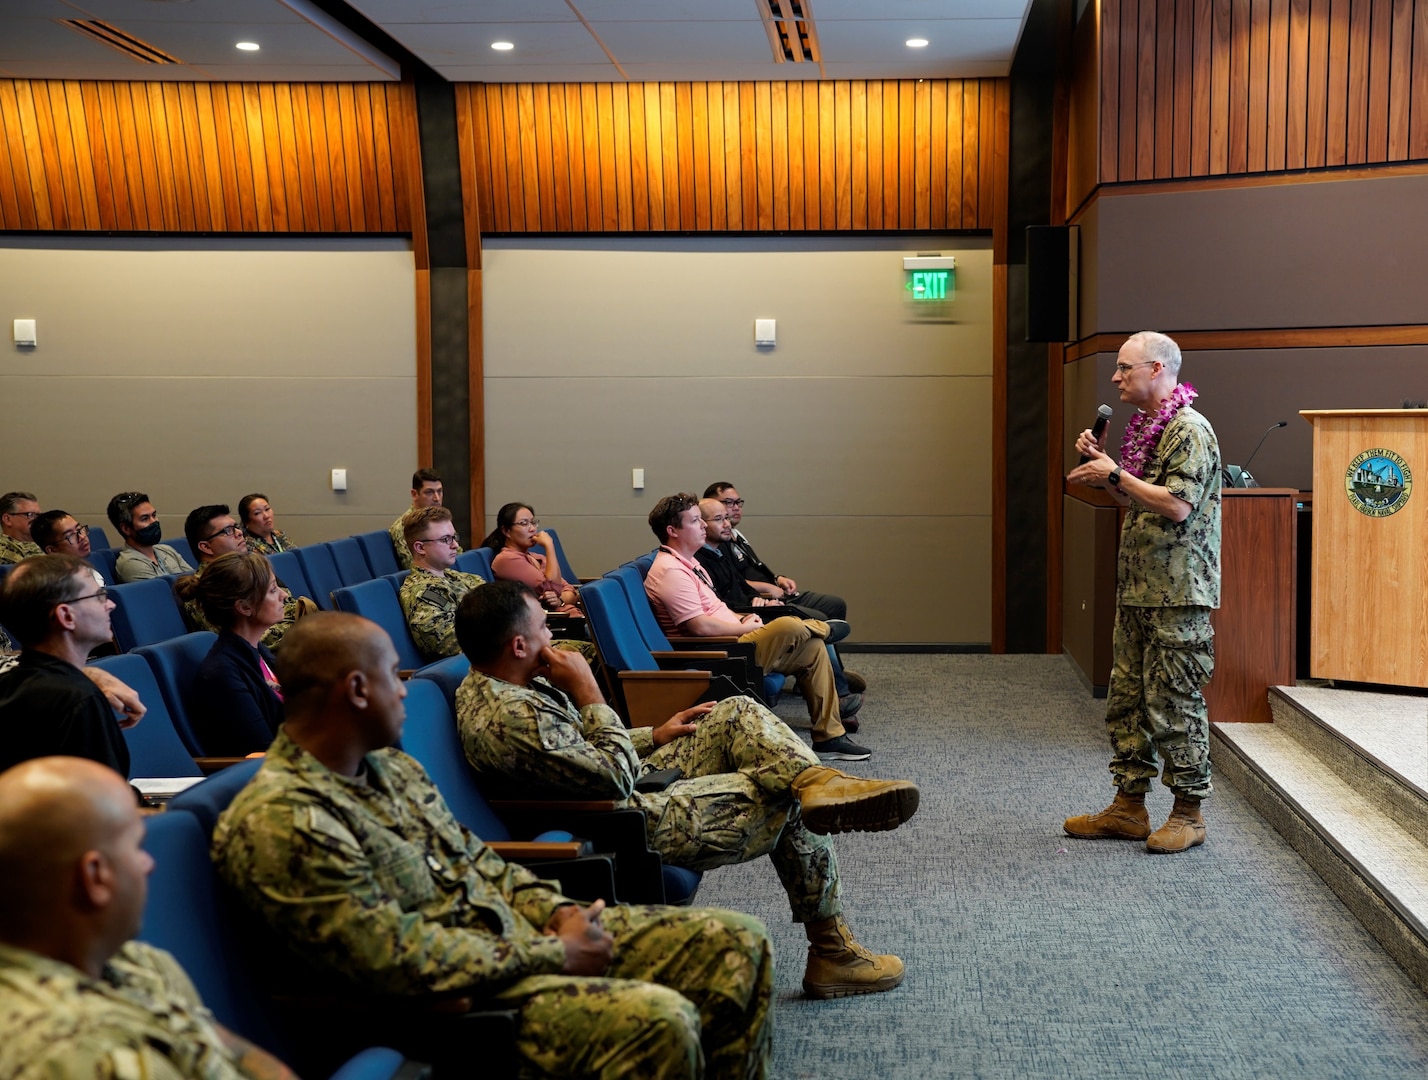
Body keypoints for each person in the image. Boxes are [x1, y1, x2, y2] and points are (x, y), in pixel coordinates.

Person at [211, 611, 774, 1077]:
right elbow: (395, 958)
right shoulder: (285, 818)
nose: (406, 690)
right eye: (393, 676)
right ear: (357, 690)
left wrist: (558, 913)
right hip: (456, 1001)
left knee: (737, 940)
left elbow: (477, 862)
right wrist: (557, 952)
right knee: (660, 1019)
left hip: (515, 941)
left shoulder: (389, 768)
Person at [456, 580, 919, 999]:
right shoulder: (511, 717)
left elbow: (578, 747)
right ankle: (832, 951)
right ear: (519, 645)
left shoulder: (507, 682)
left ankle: (821, 781)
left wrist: (653, 735)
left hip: (609, 784)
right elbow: (611, 776)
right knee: (782, 791)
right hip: (616, 818)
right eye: (544, 628)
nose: (554, 638)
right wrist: (589, 693)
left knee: (736, 712)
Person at [0, 756, 299, 1078]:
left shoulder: (132, 962)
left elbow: (218, 1046)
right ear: (95, 877)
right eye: (137, 846)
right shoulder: (80, 1055)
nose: (149, 864)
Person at [1063, 330, 1222, 855]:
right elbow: (1142, 504)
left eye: (1124, 367)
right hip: (1139, 590)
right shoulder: (1150, 428)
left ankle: (1189, 813)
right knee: (1127, 701)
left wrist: (1116, 473)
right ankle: (1128, 808)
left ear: (1157, 369)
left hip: (1178, 595)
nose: (1115, 377)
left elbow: (1177, 506)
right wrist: (1111, 473)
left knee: (1175, 703)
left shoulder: (1189, 429)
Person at [645, 493, 870, 761]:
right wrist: (742, 628)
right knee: (787, 624)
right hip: (718, 655)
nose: (704, 525)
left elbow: (717, 608)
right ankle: (822, 627)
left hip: (735, 639)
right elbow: (699, 627)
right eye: (695, 521)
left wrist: (740, 619)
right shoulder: (671, 572)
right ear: (673, 531)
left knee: (812, 649)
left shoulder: (690, 563)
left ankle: (829, 737)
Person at [697, 497, 862, 723]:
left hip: (748, 611)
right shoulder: (693, 562)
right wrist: (748, 611)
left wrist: (760, 599)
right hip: (737, 624)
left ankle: (833, 716)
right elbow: (712, 611)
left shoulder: (719, 551)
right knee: (801, 623)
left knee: (814, 634)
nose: (727, 523)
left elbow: (741, 585)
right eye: (719, 518)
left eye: (727, 517)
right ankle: (824, 636)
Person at [0, 555, 144, 777]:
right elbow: (101, 803)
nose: (111, 604)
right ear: (66, 615)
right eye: (99, 596)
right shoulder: (79, 698)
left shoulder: (10, 683)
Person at [400, 506, 593, 665]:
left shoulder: (464, 578)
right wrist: (513, 636)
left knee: (595, 652)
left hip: (513, 646)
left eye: (454, 537)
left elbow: (504, 607)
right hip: (494, 662)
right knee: (582, 658)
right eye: (445, 540)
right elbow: (447, 643)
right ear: (420, 547)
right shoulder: (423, 591)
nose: (454, 546)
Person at [175, 552, 285, 755]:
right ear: (244, 607)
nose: (283, 595)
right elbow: (265, 751)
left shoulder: (259, 651)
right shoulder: (221, 674)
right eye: (272, 590)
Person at [181, 504, 314, 650]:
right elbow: (245, 642)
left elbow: (289, 604)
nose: (239, 533)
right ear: (206, 547)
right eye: (228, 531)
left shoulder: (253, 568)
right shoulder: (204, 590)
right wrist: (301, 622)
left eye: (236, 527)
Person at [482, 501, 582, 615]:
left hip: (568, 617)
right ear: (506, 531)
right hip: (547, 624)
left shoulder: (537, 557)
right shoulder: (507, 559)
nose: (532, 529)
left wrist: (560, 600)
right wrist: (549, 546)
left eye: (533, 522)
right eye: (524, 523)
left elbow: (570, 591)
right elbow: (553, 588)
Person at [108, 491, 193, 582]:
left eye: (154, 515)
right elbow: (161, 593)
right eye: (145, 518)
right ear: (126, 529)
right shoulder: (131, 563)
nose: (154, 521)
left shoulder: (166, 550)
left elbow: (196, 581)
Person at [390, 468, 461, 570]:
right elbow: (415, 567)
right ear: (415, 494)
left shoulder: (441, 519)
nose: (436, 498)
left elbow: (459, 555)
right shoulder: (403, 526)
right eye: (429, 492)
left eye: (439, 491)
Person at [0, 491, 43, 565]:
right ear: (7, 519)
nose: (37, 520)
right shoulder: (4, 552)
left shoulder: (45, 543)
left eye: (38, 515)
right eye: (30, 515)